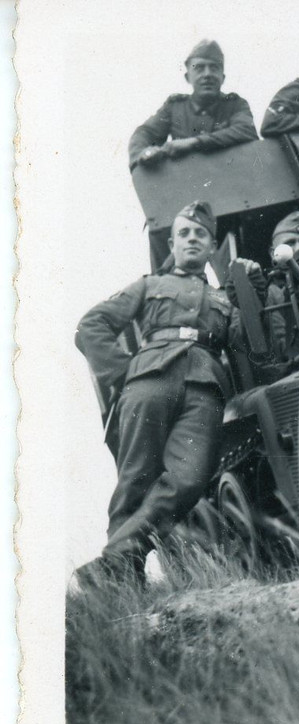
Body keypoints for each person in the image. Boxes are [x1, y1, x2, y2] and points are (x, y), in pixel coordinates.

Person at [74, 201, 265, 589]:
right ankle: (121, 583)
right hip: (148, 383)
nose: (192, 239)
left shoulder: (223, 300)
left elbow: (247, 347)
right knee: (135, 480)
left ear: (212, 246)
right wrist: (125, 373)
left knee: (190, 478)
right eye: (184, 234)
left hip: (204, 390)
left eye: (200, 235)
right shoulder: (148, 286)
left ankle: (116, 558)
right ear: (172, 244)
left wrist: (253, 292)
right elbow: (92, 325)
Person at [128, 39, 259, 271]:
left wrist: (193, 143)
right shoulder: (175, 108)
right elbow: (143, 135)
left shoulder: (235, 105)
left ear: (223, 77)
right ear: (188, 75)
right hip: (182, 204)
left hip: (229, 203)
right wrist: (145, 154)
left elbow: (245, 131)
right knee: (166, 263)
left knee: (241, 269)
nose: (207, 74)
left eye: (214, 67)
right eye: (199, 68)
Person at [265, 211, 299, 360]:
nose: (298, 248)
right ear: (273, 253)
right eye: (290, 243)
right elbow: (282, 346)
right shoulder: (269, 295)